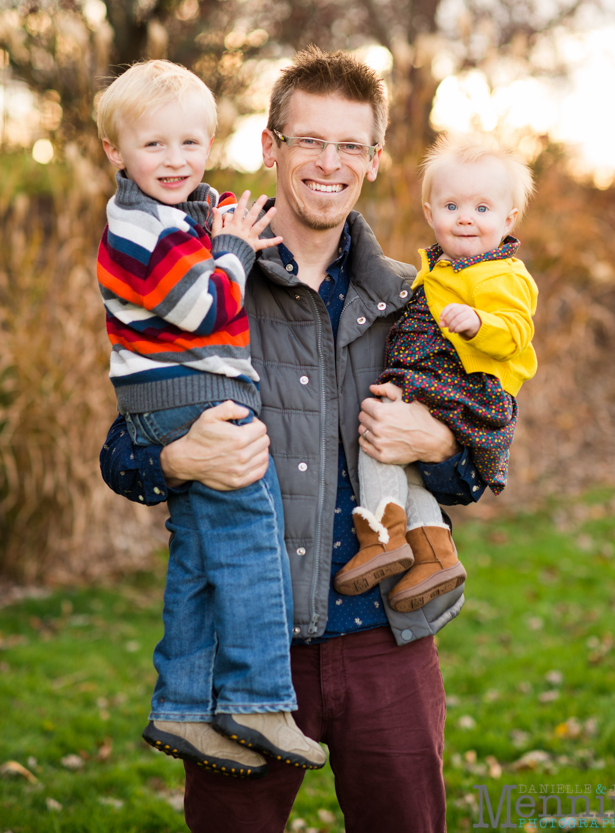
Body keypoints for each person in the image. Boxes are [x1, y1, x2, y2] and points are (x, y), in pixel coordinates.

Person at [100, 47, 483, 833]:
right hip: (249, 653)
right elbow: (123, 447)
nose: (329, 164)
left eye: (351, 146)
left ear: (374, 161)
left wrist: (441, 447)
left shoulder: (413, 300)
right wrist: (176, 459)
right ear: (271, 147)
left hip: (386, 641)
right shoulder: (202, 278)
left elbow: (483, 460)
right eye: (309, 140)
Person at [96, 60, 326, 777]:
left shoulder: (173, 216)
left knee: (198, 557)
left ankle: (183, 707)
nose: (176, 160)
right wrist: (230, 249)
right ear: (116, 152)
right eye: (155, 145)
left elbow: (203, 234)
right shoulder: (138, 228)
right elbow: (203, 306)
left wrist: (217, 224)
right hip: (187, 398)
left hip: (174, 397)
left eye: (191, 144)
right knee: (252, 538)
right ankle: (259, 699)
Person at [333, 133, 538, 612]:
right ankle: (434, 554)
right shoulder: (438, 269)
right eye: (451, 205)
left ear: (509, 219)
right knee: (411, 472)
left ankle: (381, 536)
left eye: (482, 208)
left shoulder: (501, 275)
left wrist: (478, 324)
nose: (466, 216)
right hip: (439, 386)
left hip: (460, 388)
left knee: (379, 433)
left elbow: (515, 332)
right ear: (430, 213)